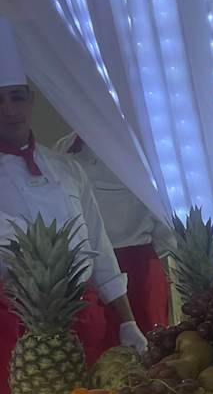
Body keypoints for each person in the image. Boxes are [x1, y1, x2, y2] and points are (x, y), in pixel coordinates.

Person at [0, 22, 145, 394]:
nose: (8, 109)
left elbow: (99, 247)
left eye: (17, 97)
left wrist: (127, 321)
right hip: (12, 327)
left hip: (85, 318)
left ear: (31, 100)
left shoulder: (66, 168)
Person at [55, 131, 172, 341]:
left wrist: (153, 255)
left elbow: (164, 216)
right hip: (83, 270)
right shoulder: (62, 148)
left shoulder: (135, 149)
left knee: (148, 344)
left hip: (135, 265)